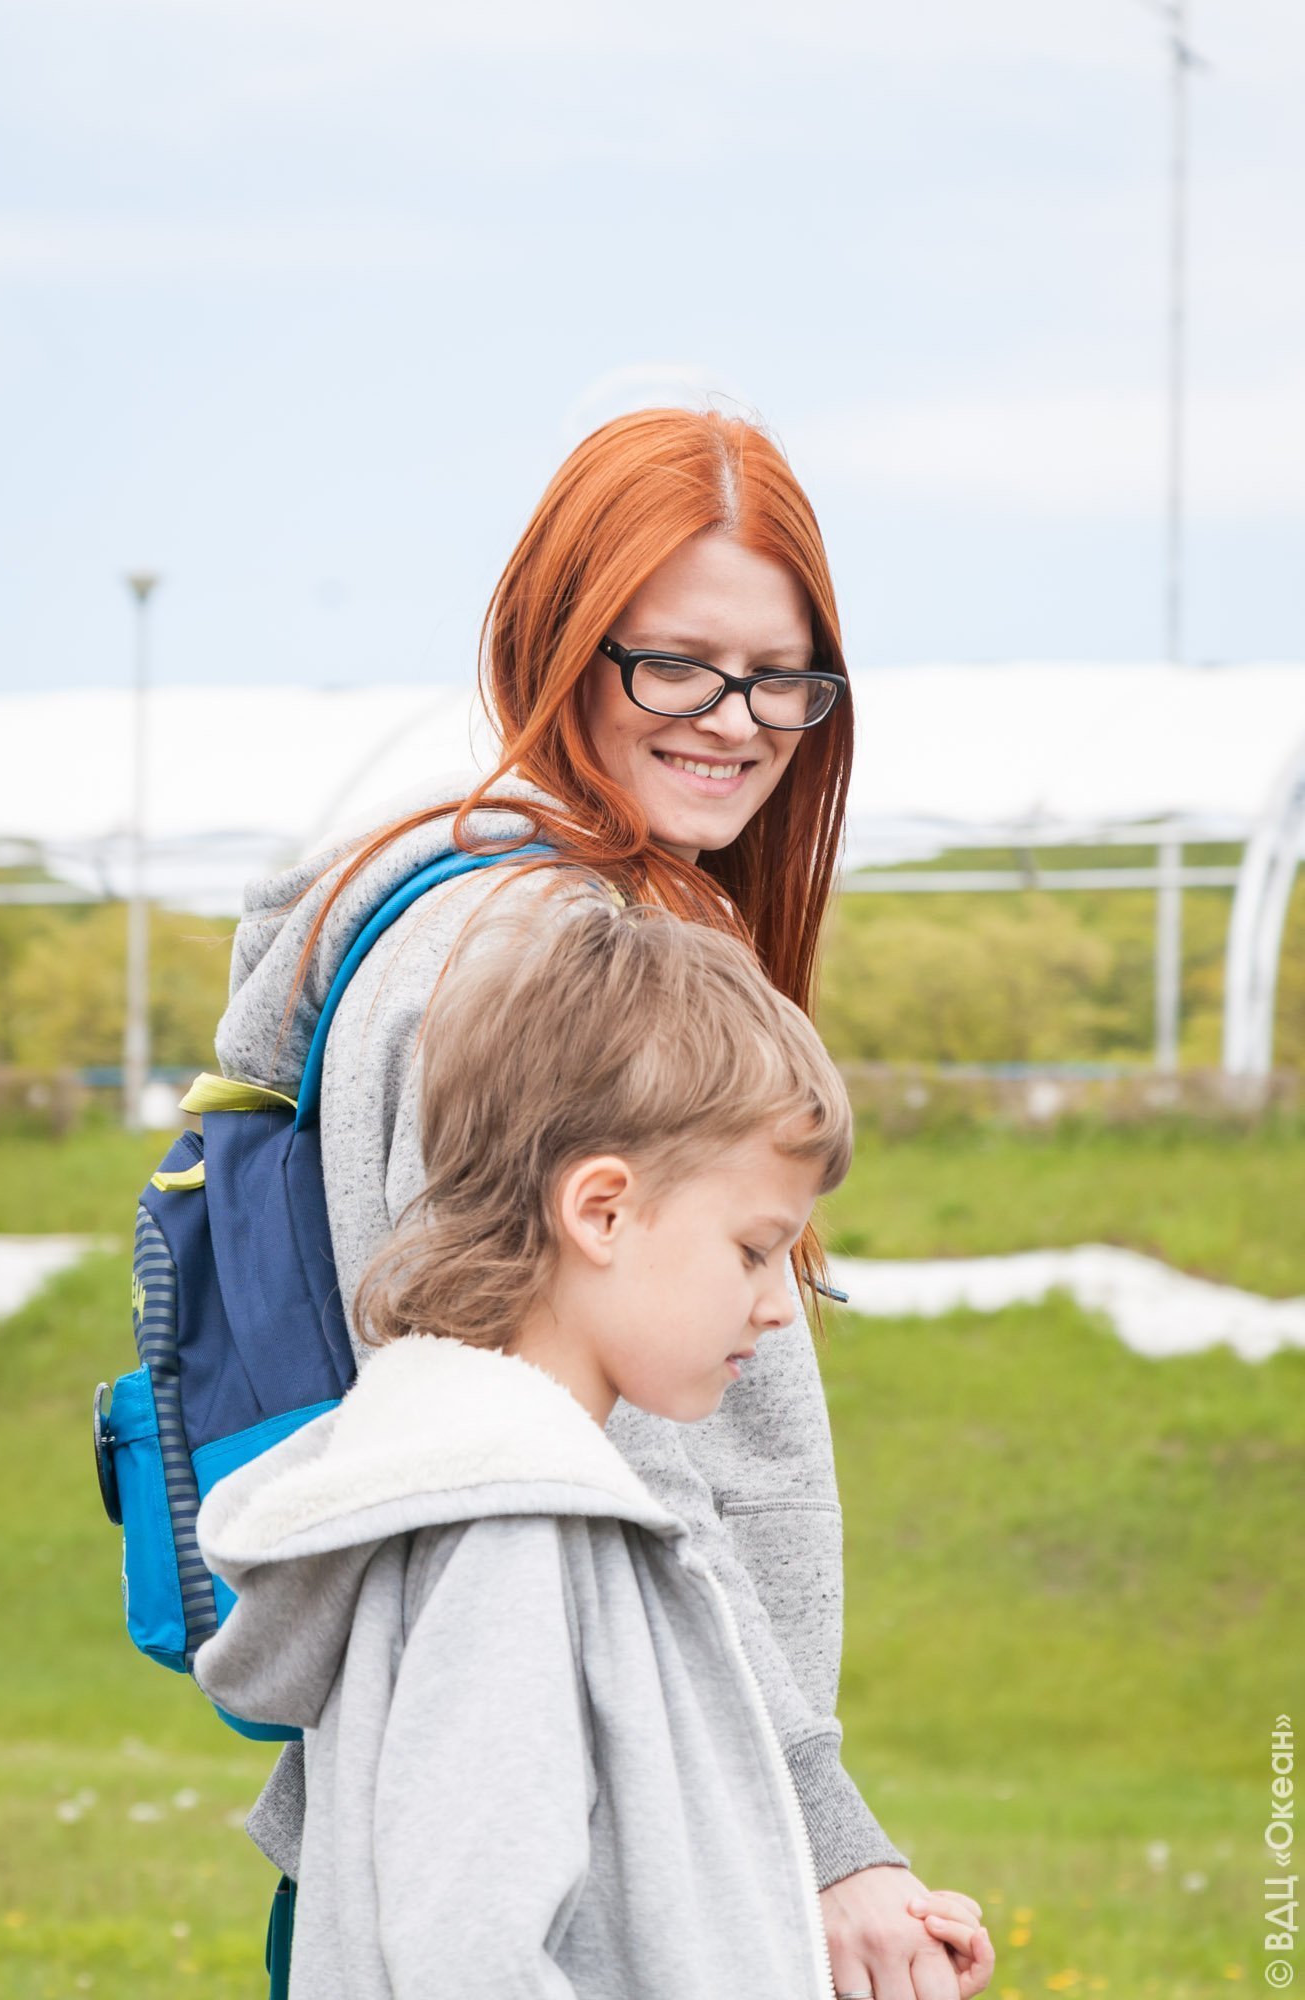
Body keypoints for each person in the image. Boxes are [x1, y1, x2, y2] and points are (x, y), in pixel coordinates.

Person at [210, 404, 994, 1997]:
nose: (736, 721)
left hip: (526, 1805)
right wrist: (823, 1836)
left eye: (781, 677)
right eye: (676, 666)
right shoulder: (536, 959)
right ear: (558, 645)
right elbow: (597, 1437)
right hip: (572, 1849)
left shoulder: (500, 918)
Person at [194, 901, 993, 1999]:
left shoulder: (475, 1471)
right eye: (755, 1250)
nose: (778, 1306)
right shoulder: (512, 1528)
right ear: (602, 1211)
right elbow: (468, 1957)